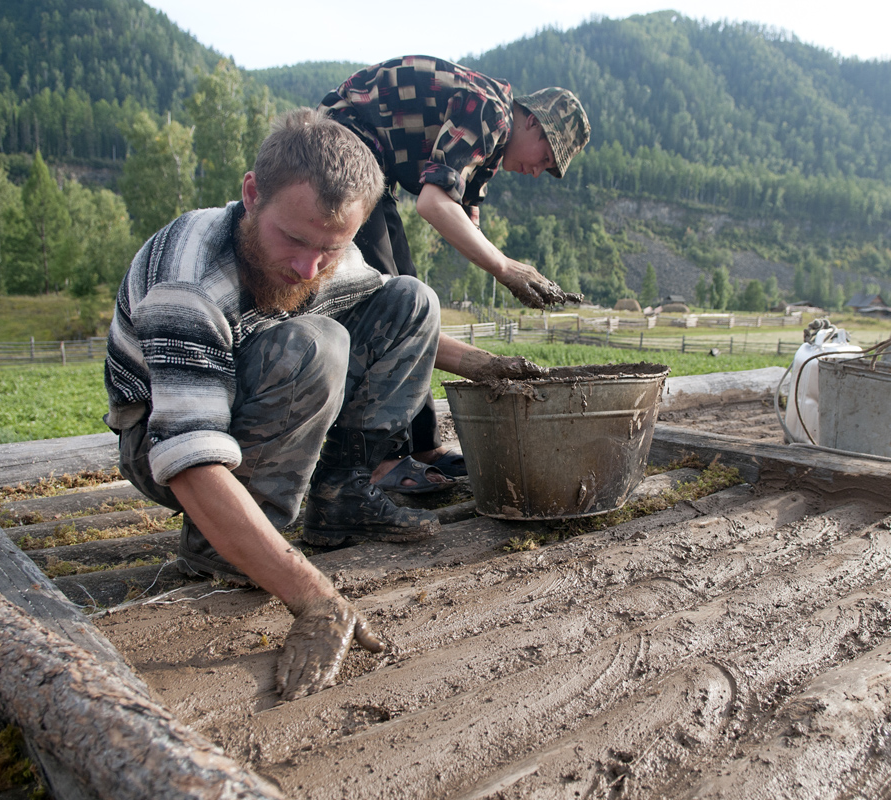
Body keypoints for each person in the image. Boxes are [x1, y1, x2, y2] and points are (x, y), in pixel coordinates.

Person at [104, 108, 545, 700]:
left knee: (412, 300)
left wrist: (489, 367)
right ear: (252, 194)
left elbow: (398, 321)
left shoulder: (323, 252)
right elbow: (188, 458)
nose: (308, 268)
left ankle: (341, 498)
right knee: (315, 345)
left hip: (247, 406)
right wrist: (315, 599)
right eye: (293, 239)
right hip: (165, 444)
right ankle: (222, 546)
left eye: (330, 250)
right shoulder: (187, 287)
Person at [318, 55, 590, 484]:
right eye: (547, 159)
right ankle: (380, 460)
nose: (539, 172)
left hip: (372, 168)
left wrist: (512, 269)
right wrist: (506, 268)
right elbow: (432, 203)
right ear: (534, 124)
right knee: (390, 307)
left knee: (415, 307)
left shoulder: (489, 154)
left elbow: (464, 216)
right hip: (341, 149)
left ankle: (422, 443)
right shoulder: (491, 110)